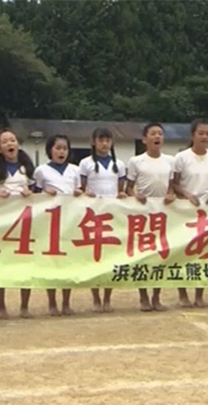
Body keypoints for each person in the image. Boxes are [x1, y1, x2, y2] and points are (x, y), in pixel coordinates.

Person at [126, 122, 176, 312]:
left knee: (161, 256)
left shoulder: (170, 161)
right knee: (143, 256)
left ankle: (156, 296)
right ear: (144, 139)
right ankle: (143, 297)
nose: (157, 137)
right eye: (153, 134)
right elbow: (129, 188)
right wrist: (134, 194)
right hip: (142, 214)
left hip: (164, 215)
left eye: (160, 134)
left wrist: (171, 195)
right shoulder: (136, 161)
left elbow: (171, 186)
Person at [172, 118, 208, 308]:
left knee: (204, 253)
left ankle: (200, 294)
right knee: (184, 252)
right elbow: (174, 183)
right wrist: (186, 194)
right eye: (201, 133)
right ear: (192, 135)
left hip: (207, 213)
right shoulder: (181, 157)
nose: (204, 137)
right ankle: (182, 293)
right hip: (185, 212)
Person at [0, 129, 35, 318]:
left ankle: (24, 306)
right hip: (2, 223)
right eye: (5, 142)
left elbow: (36, 193)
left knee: (25, 264)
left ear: (18, 144)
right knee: (1, 264)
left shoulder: (27, 168)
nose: (9, 144)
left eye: (12, 140)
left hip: (25, 223)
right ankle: (1, 306)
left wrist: (29, 194)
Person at [79, 127, 127, 312]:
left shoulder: (119, 165)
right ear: (93, 142)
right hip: (93, 216)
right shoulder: (86, 163)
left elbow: (120, 189)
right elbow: (82, 189)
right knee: (95, 257)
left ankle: (107, 297)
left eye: (108, 140)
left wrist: (121, 196)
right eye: (101, 140)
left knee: (110, 258)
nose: (104, 144)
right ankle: (95, 298)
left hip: (112, 216)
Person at [35, 134, 83, 316]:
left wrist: (79, 193)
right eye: (58, 148)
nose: (61, 152)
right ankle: (52, 302)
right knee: (52, 262)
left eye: (65, 148)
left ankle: (66, 302)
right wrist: (45, 193)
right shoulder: (41, 171)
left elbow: (79, 192)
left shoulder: (75, 170)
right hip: (50, 222)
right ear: (50, 150)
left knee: (67, 262)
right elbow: (35, 196)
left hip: (70, 221)